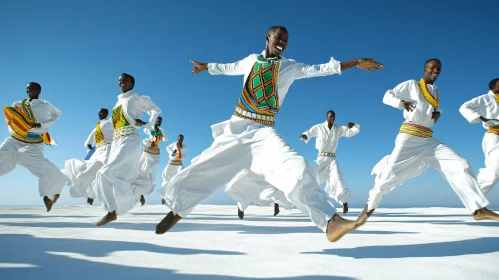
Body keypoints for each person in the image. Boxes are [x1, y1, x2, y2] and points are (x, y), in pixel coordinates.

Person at [157, 26, 383, 242]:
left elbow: (319, 69)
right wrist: (207, 66)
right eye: (279, 38)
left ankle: (330, 221)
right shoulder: (251, 60)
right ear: (268, 38)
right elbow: (229, 67)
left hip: (263, 133)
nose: (283, 43)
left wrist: (355, 63)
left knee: (298, 168)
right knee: (204, 169)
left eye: (286, 40)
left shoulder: (290, 67)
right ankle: (176, 211)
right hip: (237, 130)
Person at [356, 59, 499, 228]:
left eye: (438, 68)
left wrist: (438, 112)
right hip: (409, 138)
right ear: (425, 69)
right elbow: (388, 96)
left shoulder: (434, 90)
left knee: (461, 164)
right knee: (387, 178)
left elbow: (428, 109)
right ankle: (366, 210)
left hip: (428, 140)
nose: (435, 70)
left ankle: (478, 209)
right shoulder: (412, 85)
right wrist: (401, 103)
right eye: (432, 67)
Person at [94, 73, 161, 226]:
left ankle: (111, 212)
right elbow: (114, 124)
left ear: (132, 83)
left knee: (104, 173)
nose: (122, 82)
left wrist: (148, 124)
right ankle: (136, 194)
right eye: (119, 81)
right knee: (115, 176)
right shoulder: (117, 103)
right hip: (116, 142)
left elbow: (155, 108)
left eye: (125, 80)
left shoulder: (135, 98)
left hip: (129, 140)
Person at [1, 82, 65, 211]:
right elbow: (10, 118)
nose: (29, 90)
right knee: (2, 154)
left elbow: (57, 114)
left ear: (39, 90)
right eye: (27, 88)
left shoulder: (45, 104)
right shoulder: (18, 104)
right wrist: (14, 129)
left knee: (43, 167)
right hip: (15, 138)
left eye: (32, 88)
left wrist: (43, 125)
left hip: (35, 142)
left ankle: (49, 194)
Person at [300, 110, 359, 214]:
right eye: (330, 116)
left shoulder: (338, 129)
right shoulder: (319, 127)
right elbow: (309, 132)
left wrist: (353, 126)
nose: (332, 118)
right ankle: (303, 197)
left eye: (334, 117)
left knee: (338, 177)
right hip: (321, 160)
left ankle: (344, 201)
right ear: (326, 117)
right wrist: (305, 135)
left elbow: (349, 132)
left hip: (332, 159)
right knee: (314, 179)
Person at [62, 108, 113, 205]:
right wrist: (89, 143)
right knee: (90, 169)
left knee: (104, 171)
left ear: (106, 113)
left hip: (108, 149)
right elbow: (93, 134)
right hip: (99, 150)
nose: (99, 114)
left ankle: (106, 198)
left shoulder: (109, 122)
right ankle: (90, 194)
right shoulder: (98, 125)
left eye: (101, 112)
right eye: (98, 112)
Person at [459, 78, 499, 196]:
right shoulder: (486, 99)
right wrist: (481, 118)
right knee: (495, 169)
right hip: (494, 137)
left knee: (493, 173)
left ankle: (474, 198)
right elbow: (464, 107)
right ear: (494, 86)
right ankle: (474, 198)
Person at [134, 116, 167, 206]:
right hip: (148, 149)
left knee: (153, 176)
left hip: (156, 152)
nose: (159, 122)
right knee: (144, 170)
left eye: (160, 121)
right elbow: (145, 129)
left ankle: (142, 192)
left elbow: (165, 138)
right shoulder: (150, 127)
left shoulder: (161, 130)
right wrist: (149, 125)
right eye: (158, 120)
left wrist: (160, 133)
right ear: (155, 120)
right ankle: (139, 193)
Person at [159, 134, 187, 205]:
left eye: (182, 138)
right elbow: (167, 148)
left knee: (181, 177)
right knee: (166, 178)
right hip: (171, 163)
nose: (180, 139)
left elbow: (184, 156)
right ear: (177, 138)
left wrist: (180, 156)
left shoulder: (184, 147)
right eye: (179, 138)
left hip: (179, 164)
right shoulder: (173, 144)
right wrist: (172, 153)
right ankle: (164, 196)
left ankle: (174, 198)